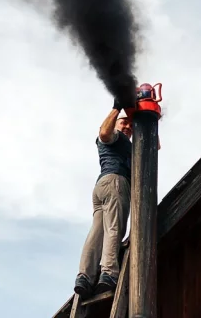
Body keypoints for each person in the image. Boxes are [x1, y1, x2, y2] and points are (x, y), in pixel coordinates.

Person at [73, 101, 133, 296]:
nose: (127, 127)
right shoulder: (114, 136)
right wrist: (117, 108)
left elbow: (154, 146)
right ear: (116, 123)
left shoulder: (128, 143)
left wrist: (154, 121)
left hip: (102, 186)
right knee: (114, 228)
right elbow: (104, 133)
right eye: (124, 123)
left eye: (130, 125)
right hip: (115, 182)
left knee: (97, 232)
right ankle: (108, 273)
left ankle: (85, 276)